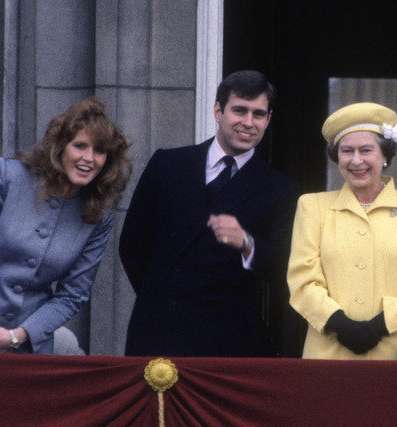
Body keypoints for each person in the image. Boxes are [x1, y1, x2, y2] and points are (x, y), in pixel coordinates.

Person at [0, 96, 132, 353]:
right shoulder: (5, 175)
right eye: (80, 146)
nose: (89, 158)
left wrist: (16, 336)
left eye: (100, 151)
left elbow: (72, 296)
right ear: (60, 147)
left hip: (26, 347)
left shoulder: (99, 215)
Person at [120, 70, 300, 357]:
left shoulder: (280, 189)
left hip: (227, 337)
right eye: (239, 110)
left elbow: (285, 266)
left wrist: (246, 241)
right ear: (218, 111)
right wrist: (163, 297)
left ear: (268, 120)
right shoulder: (167, 164)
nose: (248, 123)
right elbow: (132, 244)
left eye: (258, 114)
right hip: (159, 329)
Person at [287, 102, 397, 360]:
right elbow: (301, 281)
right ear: (337, 157)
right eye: (347, 151)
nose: (356, 160)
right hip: (328, 355)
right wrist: (340, 324)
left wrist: (380, 326)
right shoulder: (312, 207)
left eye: (366, 150)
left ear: (385, 156)